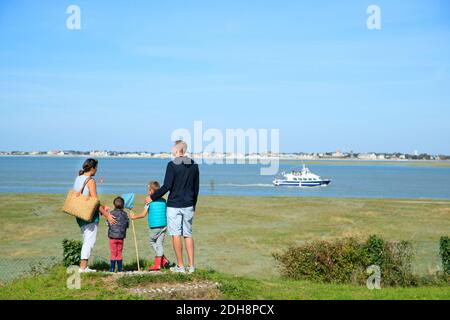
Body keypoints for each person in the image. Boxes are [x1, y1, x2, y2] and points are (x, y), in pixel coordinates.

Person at [146, 140, 199, 274]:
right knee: (188, 234)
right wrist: (194, 204)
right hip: (188, 204)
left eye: (172, 150)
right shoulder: (194, 165)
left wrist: (152, 197)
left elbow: (167, 186)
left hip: (174, 205)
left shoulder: (172, 165)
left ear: (177, 150)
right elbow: (196, 188)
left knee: (176, 234)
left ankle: (180, 267)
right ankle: (191, 266)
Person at [73, 158, 116, 273]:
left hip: (79, 213)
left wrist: (102, 207)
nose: (97, 170)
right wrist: (107, 215)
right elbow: (95, 201)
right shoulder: (90, 181)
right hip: (89, 214)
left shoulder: (78, 178)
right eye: (96, 167)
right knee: (89, 241)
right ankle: (83, 267)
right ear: (92, 168)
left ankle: (83, 266)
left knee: (86, 238)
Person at [131, 181, 174, 271]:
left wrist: (134, 217)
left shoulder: (148, 201)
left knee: (152, 242)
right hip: (164, 225)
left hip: (154, 226)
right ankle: (162, 261)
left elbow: (143, 214)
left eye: (148, 190)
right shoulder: (163, 200)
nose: (147, 192)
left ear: (151, 191)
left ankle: (160, 261)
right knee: (159, 243)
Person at [107, 196, 129, 273]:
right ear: (123, 205)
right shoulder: (125, 214)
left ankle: (112, 269)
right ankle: (120, 269)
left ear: (114, 205)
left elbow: (108, 223)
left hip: (112, 237)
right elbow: (127, 225)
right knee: (119, 252)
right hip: (121, 237)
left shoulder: (111, 213)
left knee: (113, 252)